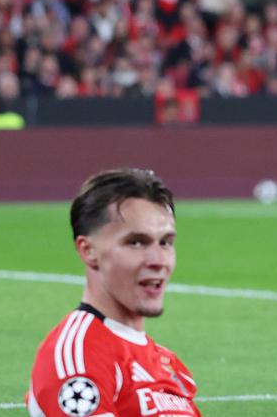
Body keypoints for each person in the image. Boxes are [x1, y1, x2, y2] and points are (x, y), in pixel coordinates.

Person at [26, 168, 199, 417]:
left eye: (165, 242)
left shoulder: (169, 365)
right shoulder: (79, 357)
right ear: (88, 251)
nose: (158, 260)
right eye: (136, 242)